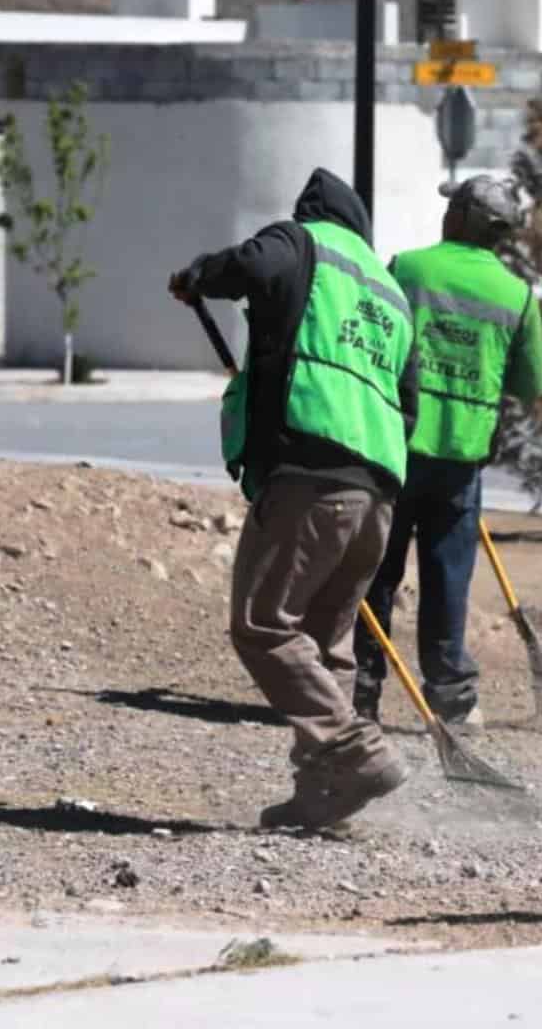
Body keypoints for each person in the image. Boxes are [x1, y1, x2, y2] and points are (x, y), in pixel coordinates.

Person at [168, 167, 419, 829]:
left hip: (311, 470)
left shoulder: (302, 241)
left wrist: (199, 275)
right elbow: (409, 405)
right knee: (325, 645)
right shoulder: (390, 293)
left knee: (262, 623)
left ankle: (354, 750)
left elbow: (252, 265)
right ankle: (323, 794)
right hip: (378, 494)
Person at [355, 176, 542, 727]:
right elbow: (530, 384)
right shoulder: (517, 296)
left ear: (460, 217)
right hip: (460, 462)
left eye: (451, 206)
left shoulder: (409, 268)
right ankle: (452, 698)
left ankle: (360, 692)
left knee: (375, 572)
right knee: (447, 581)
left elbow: (372, 336)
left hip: (395, 448)